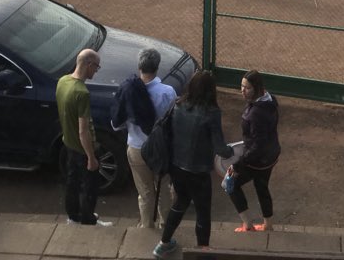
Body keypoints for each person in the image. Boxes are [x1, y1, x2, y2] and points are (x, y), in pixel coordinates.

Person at [153, 71, 233, 257]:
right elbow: (220, 148)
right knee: (203, 212)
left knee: (179, 203)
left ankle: (163, 243)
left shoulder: (178, 105)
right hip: (199, 171)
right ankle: (202, 250)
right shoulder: (212, 112)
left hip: (177, 167)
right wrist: (232, 151)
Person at [112, 49, 178, 230]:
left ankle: (147, 226)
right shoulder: (168, 92)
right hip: (161, 149)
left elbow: (116, 124)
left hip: (136, 148)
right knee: (163, 189)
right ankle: (166, 227)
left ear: (139, 66)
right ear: (157, 66)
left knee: (145, 191)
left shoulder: (127, 90)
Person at [57, 48, 110, 226]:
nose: (96, 70)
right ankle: (88, 218)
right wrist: (91, 157)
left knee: (72, 182)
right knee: (90, 186)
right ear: (88, 64)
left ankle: (73, 216)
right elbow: (83, 130)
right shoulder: (81, 92)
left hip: (68, 142)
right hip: (82, 148)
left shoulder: (63, 81)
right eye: (96, 67)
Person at [229, 70, 281, 233]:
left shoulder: (256, 113)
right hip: (270, 156)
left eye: (247, 88)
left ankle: (247, 224)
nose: (242, 91)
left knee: (230, 184)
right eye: (242, 86)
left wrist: (238, 164)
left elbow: (257, 145)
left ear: (257, 89)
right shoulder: (269, 100)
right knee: (261, 187)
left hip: (256, 160)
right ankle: (268, 225)